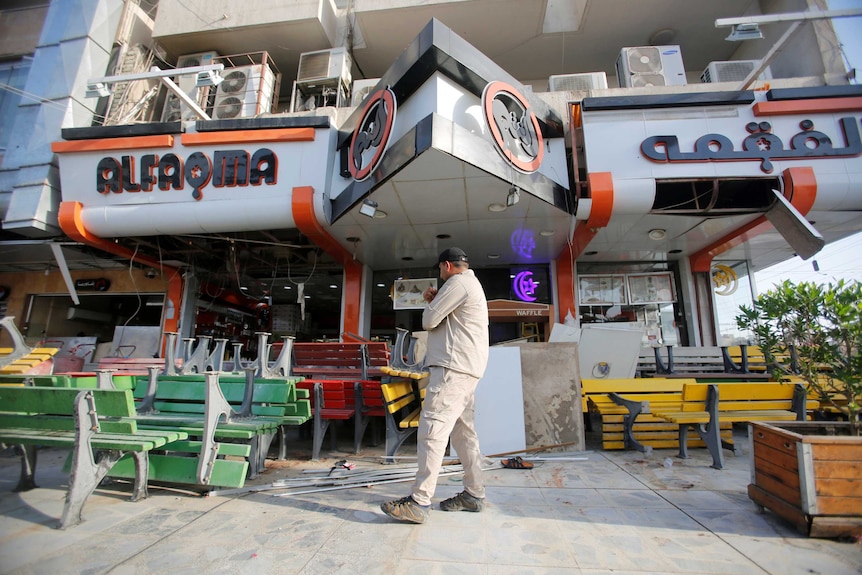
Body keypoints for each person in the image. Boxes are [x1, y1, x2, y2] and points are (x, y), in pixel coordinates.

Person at [380, 247, 490, 524]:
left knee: (432, 430)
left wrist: (432, 303)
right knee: (463, 433)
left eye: (440, 269)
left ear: (447, 265)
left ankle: (419, 501)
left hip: (453, 368)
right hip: (464, 368)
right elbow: (446, 318)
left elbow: (428, 320)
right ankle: (474, 494)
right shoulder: (468, 284)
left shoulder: (457, 282)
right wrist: (437, 299)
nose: (439, 275)